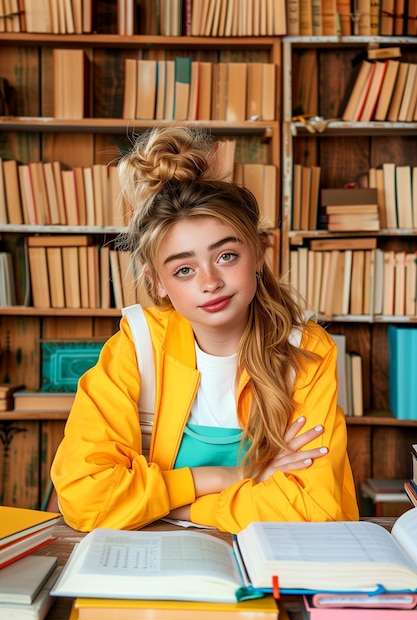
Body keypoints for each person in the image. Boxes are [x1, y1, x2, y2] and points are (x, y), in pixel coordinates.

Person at [51, 125, 359, 533]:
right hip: (150, 558)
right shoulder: (137, 347)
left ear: (258, 254)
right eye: (183, 269)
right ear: (157, 281)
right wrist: (223, 478)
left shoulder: (305, 350)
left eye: (227, 256)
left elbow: (314, 508)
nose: (209, 281)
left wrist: (180, 508)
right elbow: (84, 498)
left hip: (265, 563)